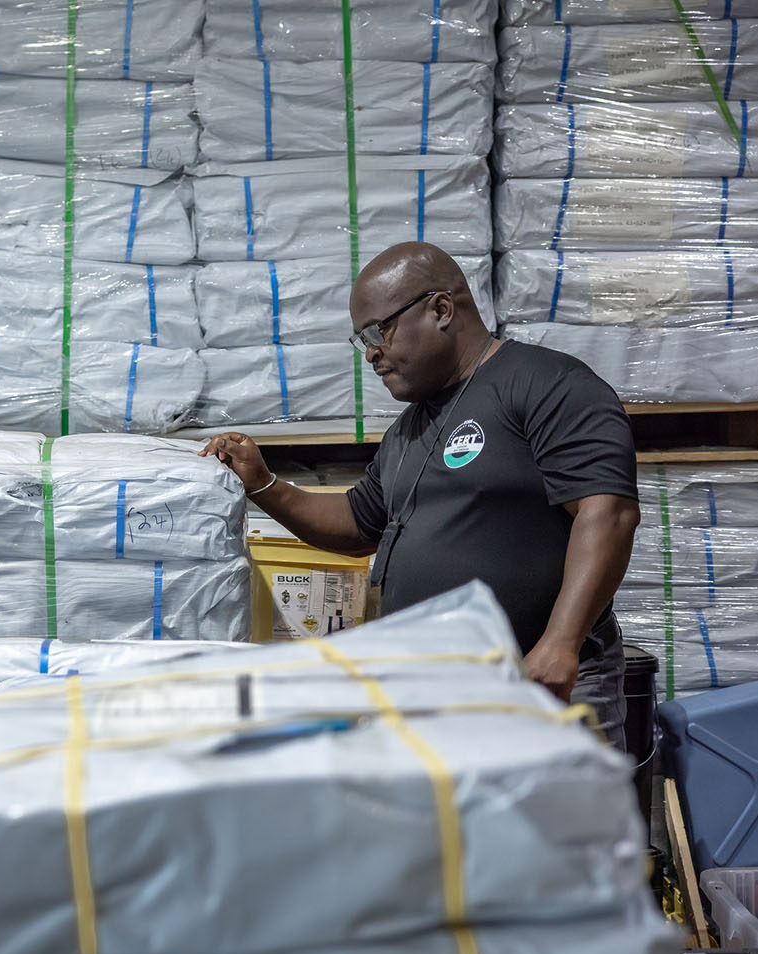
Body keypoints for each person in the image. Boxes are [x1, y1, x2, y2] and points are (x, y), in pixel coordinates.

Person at [203, 242, 641, 747]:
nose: (370, 352)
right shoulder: (409, 432)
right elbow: (355, 522)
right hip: (440, 696)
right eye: (361, 339)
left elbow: (606, 512)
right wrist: (262, 483)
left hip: (540, 685)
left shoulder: (547, 384)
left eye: (377, 331)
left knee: (559, 826)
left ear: (441, 310)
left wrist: (560, 645)